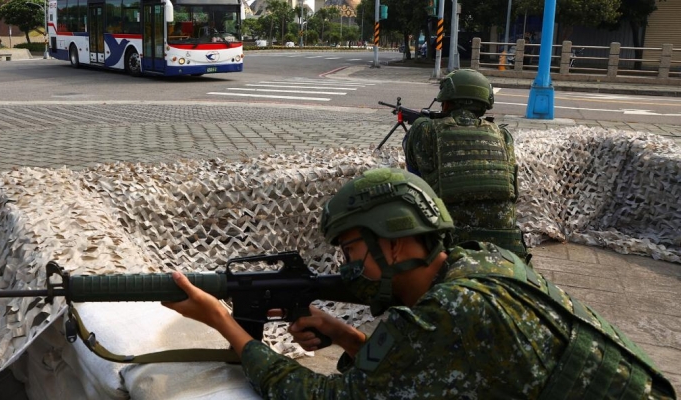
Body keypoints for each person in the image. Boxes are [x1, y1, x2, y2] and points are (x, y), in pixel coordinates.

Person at [163, 167, 676, 399]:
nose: (347, 268)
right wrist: (343, 335)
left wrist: (224, 323)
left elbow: (319, 397)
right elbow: (419, 371)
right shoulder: (480, 264)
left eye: (352, 252)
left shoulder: (451, 313)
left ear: (396, 242)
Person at [403, 68, 530, 259]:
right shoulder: (503, 135)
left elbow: (413, 171)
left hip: (450, 241)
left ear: (446, 102)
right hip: (506, 245)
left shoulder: (425, 129)